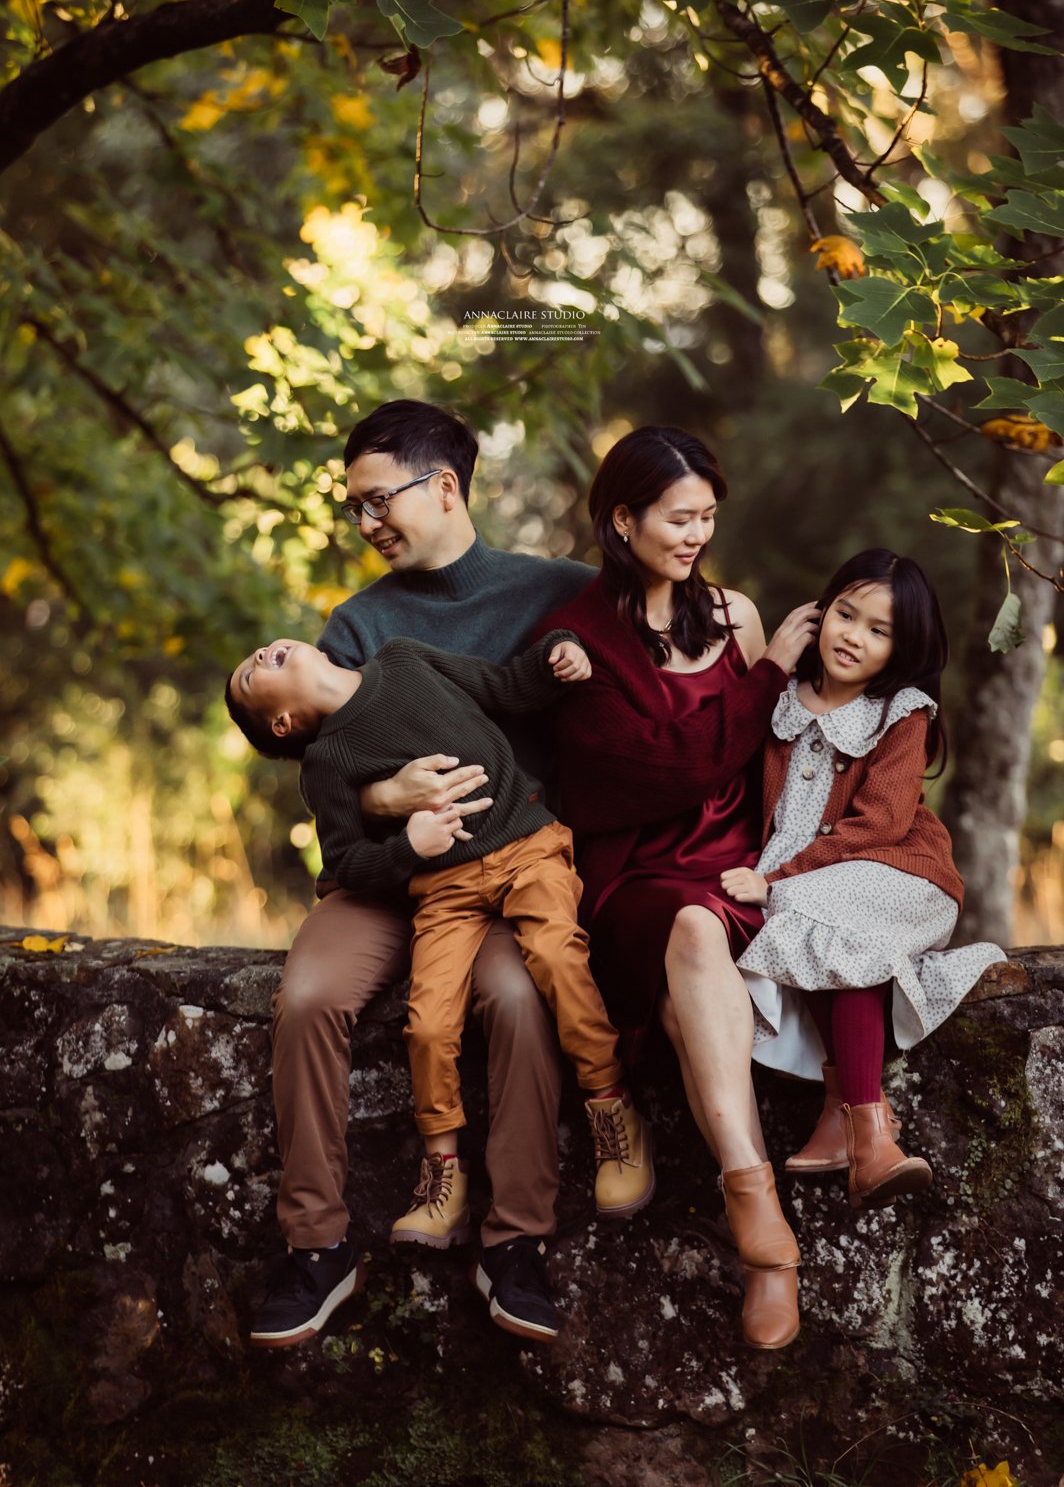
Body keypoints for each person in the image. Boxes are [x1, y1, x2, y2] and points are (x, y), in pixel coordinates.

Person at [250, 399, 595, 1349]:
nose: (366, 525)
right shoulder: (358, 622)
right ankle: (316, 1247)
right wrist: (388, 800)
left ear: (443, 485)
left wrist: (762, 630)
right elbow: (332, 778)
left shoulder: (559, 589)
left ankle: (513, 1242)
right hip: (380, 882)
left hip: (503, 874)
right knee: (311, 996)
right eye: (354, 509)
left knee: (521, 1005)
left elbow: (666, 634)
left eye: (377, 501)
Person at [225, 628, 652, 1270]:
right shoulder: (327, 766)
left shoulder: (403, 657)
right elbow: (346, 863)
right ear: (283, 723)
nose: (259, 653)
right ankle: (442, 1173)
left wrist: (557, 653)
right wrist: (407, 847)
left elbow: (504, 688)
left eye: (256, 650)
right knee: (427, 1023)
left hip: (527, 848)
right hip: (443, 886)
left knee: (557, 960)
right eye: (250, 675)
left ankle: (610, 1105)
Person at [537, 425, 820, 1353]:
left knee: (696, 961)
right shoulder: (575, 640)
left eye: (708, 516)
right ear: (622, 519)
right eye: (678, 516)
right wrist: (772, 666)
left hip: (740, 867)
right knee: (689, 931)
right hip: (635, 880)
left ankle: (760, 1230)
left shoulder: (735, 615)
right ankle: (760, 1217)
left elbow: (776, 750)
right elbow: (664, 771)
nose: (697, 533)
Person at [721, 549, 1005, 1209]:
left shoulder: (901, 713)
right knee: (813, 929)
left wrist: (780, 878)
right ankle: (851, 1121)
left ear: (902, 649)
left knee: (818, 920)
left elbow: (880, 824)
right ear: (822, 610)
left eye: (879, 630)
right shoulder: (784, 703)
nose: (853, 635)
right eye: (846, 614)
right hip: (807, 884)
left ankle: (867, 1134)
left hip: (900, 878)